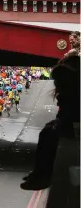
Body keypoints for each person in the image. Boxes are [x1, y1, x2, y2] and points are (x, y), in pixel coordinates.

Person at [21, 55, 80, 191]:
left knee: (47, 134)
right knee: (48, 128)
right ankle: (39, 172)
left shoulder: (71, 93)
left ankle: (43, 174)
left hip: (74, 127)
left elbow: (69, 115)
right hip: (72, 122)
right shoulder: (70, 91)